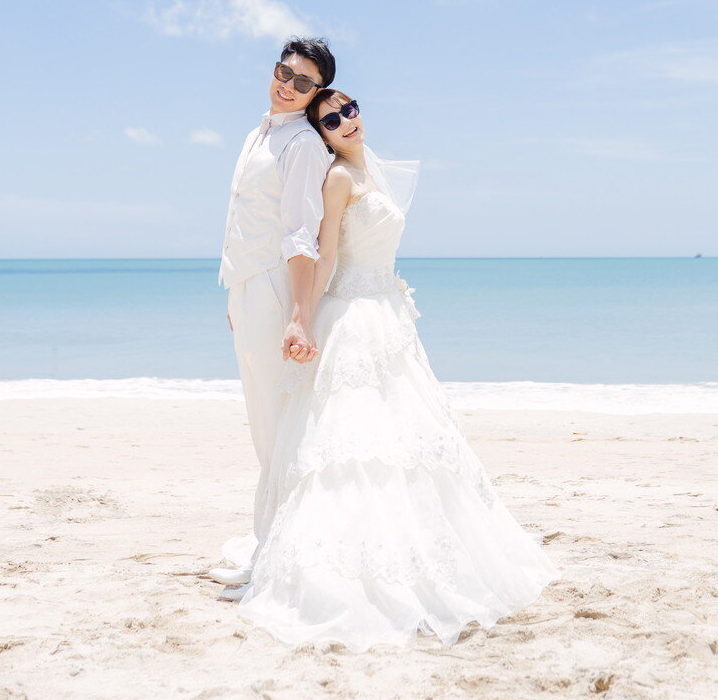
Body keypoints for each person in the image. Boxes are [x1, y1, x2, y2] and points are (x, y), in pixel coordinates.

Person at [215, 88, 560, 649]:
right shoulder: (336, 178)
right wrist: (301, 318)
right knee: (354, 444)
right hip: (351, 315)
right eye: (331, 119)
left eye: (349, 109)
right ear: (322, 135)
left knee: (410, 438)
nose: (345, 121)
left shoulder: (371, 169)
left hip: (388, 312)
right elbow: (324, 254)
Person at [208, 37, 336, 588]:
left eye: (303, 82)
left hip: (275, 289)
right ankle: (273, 543)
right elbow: (243, 218)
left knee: (278, 424)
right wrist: (236, 294)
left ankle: (278, 556)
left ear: (316, 93)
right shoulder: (258, 132)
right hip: (247, 289)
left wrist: (297, 315)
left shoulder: (302, 144)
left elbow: (301, 234)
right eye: (285, 72)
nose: (288, 85)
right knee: (263, 421)